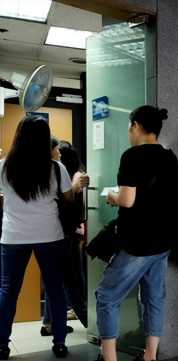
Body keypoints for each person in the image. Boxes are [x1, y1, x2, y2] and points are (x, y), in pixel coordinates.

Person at [95, 105, 178, 361]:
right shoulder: (169, 157)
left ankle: (109, 357)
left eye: (130, 127)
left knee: (107, 296)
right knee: (154, 297)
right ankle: (150, 355)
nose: (129, 133)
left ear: (136, 127)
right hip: (163, 241)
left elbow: (128, 200)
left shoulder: (132, 156)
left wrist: (112, 197)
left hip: (138, 242)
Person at [0, 116, 73, 359]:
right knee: (54, 288)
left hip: (13, 236)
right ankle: (60, 342)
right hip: (49, 235)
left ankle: (1, 344)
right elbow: (68, 198)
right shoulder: (55, 168)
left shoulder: (4, 166)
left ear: (18, 137)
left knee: (9, 290)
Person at [41, 141, 90, 335]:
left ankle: (48, 323)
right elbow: (64, 208)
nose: (57, 155)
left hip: (49, 235)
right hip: (63, 235)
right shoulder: (65, 176)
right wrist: (75, 189)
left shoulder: (51, 173)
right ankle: (91, 323)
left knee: (55, 280)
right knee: (73, 282)